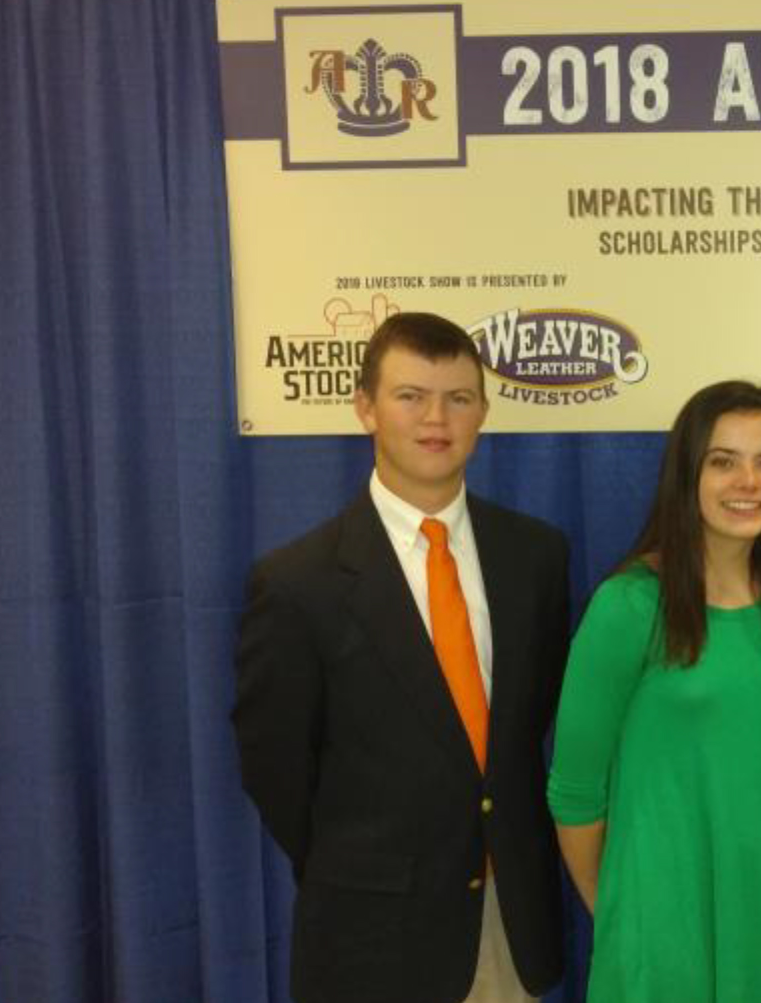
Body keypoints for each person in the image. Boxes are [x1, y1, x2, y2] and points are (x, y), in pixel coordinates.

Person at [233, 312, 571, 1003]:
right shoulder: (299, 583)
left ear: (483, 413)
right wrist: (365, 866)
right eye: (410, 395)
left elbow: (532, 726)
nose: (436, 418)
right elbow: (276, 770)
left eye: (459, 397)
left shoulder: (535, 556)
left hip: (508, 927)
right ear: (365, 408)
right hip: (371, 940)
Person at [546, 381, 761, 1003]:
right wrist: (627, 909)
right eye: (723, 461)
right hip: (663, 917)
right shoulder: (630, 605)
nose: (748, 482)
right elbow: (574, 791)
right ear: (686, 472)